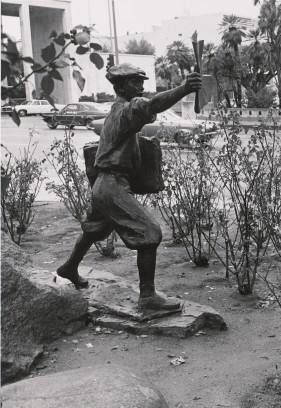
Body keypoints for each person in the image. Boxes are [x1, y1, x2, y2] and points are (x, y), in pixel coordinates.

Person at [57, 63, 202, 310]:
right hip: (111, 185)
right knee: (150, 233)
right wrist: (184, 88)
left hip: (105, 184)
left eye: (142, 82)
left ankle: (69, 267)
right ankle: (147, 297)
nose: (141, 87)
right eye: (136, 83)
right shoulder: (125, 111)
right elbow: (151, 106)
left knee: (94, 229)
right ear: (121, 86)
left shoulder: (117, 112)